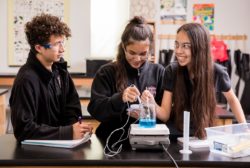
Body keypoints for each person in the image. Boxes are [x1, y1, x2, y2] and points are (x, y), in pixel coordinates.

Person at [143, 23, 246, 140]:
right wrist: (151, 103)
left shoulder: (217, 72)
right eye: (176, 45)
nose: (178, 51)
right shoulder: (171, 71)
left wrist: (245, 129)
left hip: (202, 136)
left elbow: (232, 99)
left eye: (185, 46)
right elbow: (165, 115)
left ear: (200, 47)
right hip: (174, 136)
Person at [9, 13, 93, 142]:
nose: (62, 49)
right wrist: (67, 132)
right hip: (35, 154)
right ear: (39, 48)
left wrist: (77, 130)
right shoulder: (26, 79)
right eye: (57, 44)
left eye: (63, 42)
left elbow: (72, 108)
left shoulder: (60, 71)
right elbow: (23, 130)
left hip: (63, 145)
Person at [87, 16, 165, 143]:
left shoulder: (159, 72)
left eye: (143, 54)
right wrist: (120, 98)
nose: (137, 59)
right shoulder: (106, 72)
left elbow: (166, 114)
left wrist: (149, 111)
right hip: (111, 142)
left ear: (150, 50)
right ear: (124, 47)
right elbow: (96, 111)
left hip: (149, 142)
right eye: (132, 53)